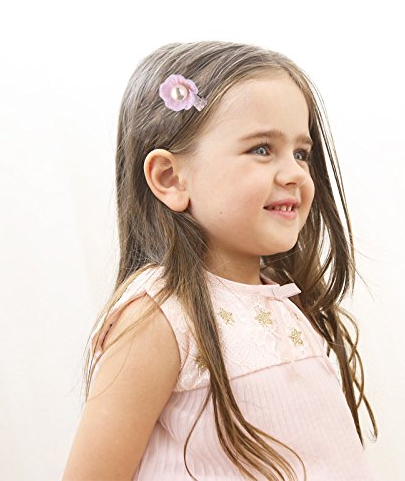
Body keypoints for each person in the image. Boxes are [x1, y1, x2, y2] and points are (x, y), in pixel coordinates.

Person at [62, 41, 380, 480]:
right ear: (170, 178)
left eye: (301, 153)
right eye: (262, 149)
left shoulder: (284, 300)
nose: (295, 173)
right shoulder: (160, 317)